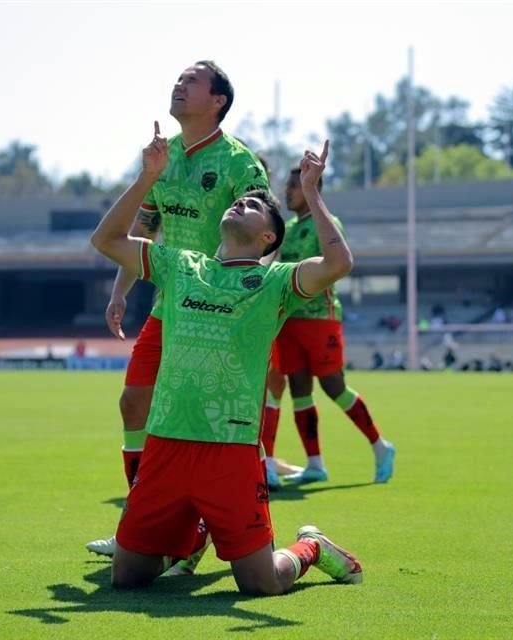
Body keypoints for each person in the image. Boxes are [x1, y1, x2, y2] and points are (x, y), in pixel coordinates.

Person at [90, 128, 362, 594]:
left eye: (254, 207)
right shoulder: (182, 266)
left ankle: (311, 547)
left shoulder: (276, 283)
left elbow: (338, 264)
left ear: (267, 236)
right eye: (240, 202)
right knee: (128, 578)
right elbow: (106, 239)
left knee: (260, 584)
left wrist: (313, 193)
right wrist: (146, 177)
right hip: (167, 442)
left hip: (231, 449)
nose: (240, 204)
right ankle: (190, 533)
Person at [87, 61, 268, 557]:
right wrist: (121, 290)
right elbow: (139, 232)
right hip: (170, 305)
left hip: (220, 316)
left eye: (192, 82)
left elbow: (266, 236)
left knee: (204, 421)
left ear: (218, 102)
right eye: (178, 79)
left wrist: (250, 300)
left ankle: (196, 534)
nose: (179, 85)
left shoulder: (239, 163)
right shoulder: (160, 158)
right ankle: (141, 525)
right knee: (133, 403)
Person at [269, 168, 395, 486]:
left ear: (314, 188)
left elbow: (336, 264)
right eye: (287, 185)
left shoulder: (326, 223)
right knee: (299, 389)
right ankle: (315, 463)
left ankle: (380, 446)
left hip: (319, 318)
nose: (288, 191)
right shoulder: (289, 228)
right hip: (290, 319)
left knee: (333, 386)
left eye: (294, 186)